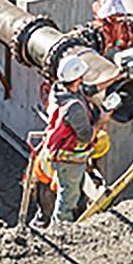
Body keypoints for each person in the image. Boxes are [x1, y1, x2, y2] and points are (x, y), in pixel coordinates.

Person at [43, 54, 112, 224]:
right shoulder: (73, 108)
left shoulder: (60, 89)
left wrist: (116, 78)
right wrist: (102, 119)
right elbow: (87, 136)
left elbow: (90, 89)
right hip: (68, 158)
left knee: (69, 188)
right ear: (77, 78)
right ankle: (60, 229)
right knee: (68, 198)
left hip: (62, 154)